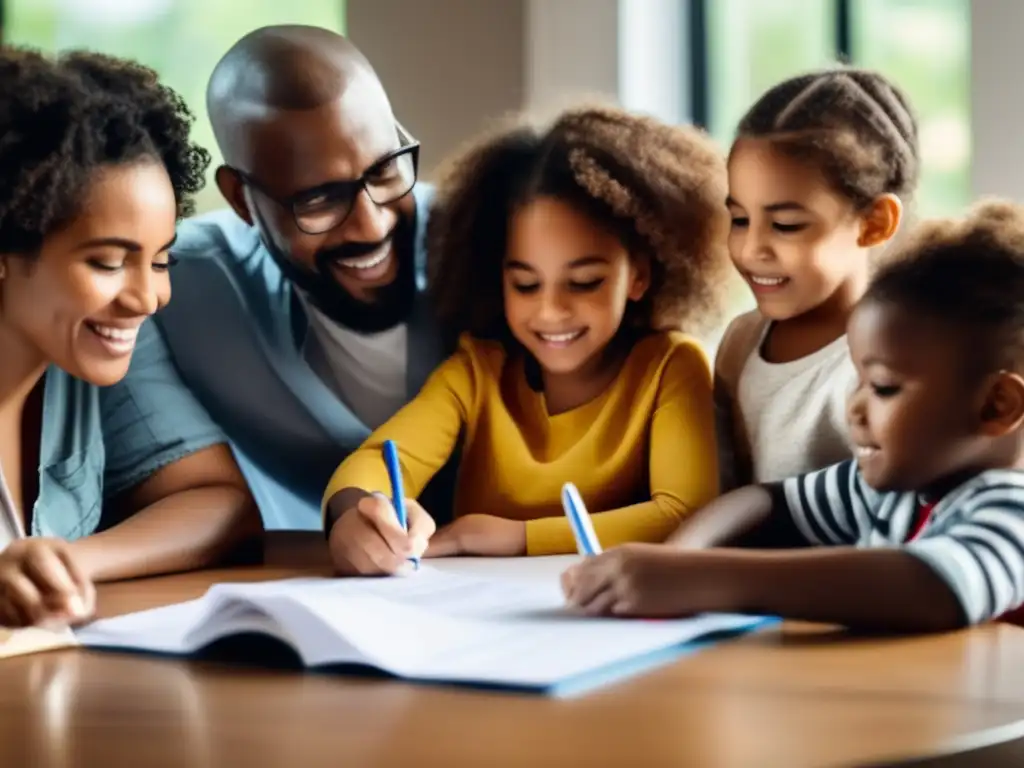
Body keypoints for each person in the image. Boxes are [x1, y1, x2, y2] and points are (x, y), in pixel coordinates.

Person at [562, 200, 1024, 633]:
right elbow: (766, 502)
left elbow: (932, 587)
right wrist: (676, 558)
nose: (855, 407)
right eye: (857, 381)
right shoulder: (894, 490)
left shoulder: (1012, 509)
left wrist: (698, 578)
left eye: (883, 387)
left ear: (997, 405)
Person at [323, 106, 730, 574]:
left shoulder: (670, 367)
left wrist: (515, 537)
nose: (551, 311)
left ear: (638, 275)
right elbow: (375, 459)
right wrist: (359, 513)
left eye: (584, 283)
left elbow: (685, 515)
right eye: (526, 285)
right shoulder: (477, 372)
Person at [139, 25, 450, 530]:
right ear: (242, 200)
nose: (373, 223)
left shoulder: (493, 247)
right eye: (319, 199)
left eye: (385, 170)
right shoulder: (168, 287)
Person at [0, 47, 261, 627]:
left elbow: (220, 503)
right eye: (108, 262)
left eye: (161, 261)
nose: (146, 298)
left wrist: (63, 562)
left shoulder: (100, 343)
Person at [716, 68, 919, 490]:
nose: (751, 249)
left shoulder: (890, 365)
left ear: (874, 223)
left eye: (786, 225)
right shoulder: (741, 342)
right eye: (739, 219)